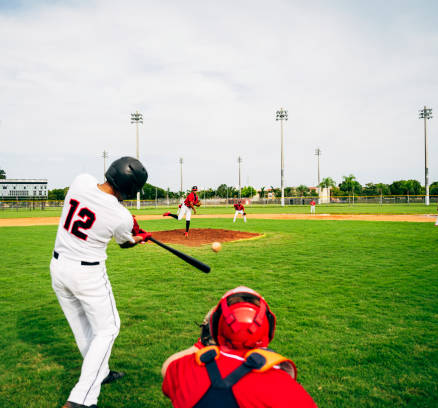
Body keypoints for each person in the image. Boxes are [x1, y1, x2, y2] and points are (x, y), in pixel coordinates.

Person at [51, 156, 151, 408]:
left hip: (59, 267)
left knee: (83, 328)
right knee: (108, 329)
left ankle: (101, 372)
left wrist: (130, 227)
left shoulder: (80, 181)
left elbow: (103, 206)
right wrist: (140, 237)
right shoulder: (121, 216)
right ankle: (81, 400)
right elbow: (125, 242)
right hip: (88, 275)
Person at [162, 286, 318, 408]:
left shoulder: (183, 368)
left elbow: (167, 369)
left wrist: (203, 342)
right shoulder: (283, 386)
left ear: (216, 327)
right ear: (268, 328)